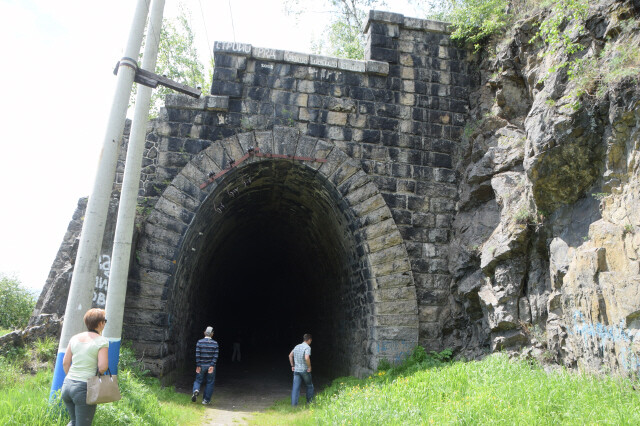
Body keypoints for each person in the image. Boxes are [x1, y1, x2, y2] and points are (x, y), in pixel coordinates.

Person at [61, 308, 109, 426]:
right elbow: (103, 367)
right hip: (84, 388)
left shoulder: (75, 338)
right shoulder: (101, 341)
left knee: (74, 422)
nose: (105, 323)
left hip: (67, 385)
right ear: (100, 323)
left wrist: (72, 378)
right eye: (105, 321)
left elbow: (65, 363)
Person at [192, 326, 219, 405]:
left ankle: (196, 390)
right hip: (210, 366)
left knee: (198, 380)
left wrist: (198, 364)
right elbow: (215, 356)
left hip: (201, 365)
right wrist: (212, 365)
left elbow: (197, 354)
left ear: (204, 333)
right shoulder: (215, 343)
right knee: (210, 382)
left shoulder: (199, 342)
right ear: (212, 334)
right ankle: (206, 400)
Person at [288, 333, 314, 406]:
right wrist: (309, 367)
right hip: (304, 370)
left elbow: (290, 355)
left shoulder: (297, 346)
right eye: (310, 341)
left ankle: (294, 405)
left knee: (295, 388)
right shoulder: (307, 347)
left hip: (296, 370)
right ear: (309, 340)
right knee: (309, 386)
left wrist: (292, 365)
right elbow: (306, 358)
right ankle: (309, 403)